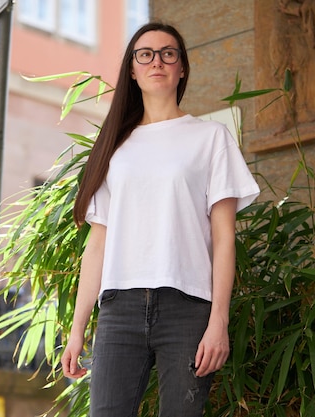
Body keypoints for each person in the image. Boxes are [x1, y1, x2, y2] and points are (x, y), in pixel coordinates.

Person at [60, 22, 260, 417]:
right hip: (119, 310)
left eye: (168, 53)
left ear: (182, 68)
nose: (157, 61)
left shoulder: (211, 138)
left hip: (187, 309)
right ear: (132, 70)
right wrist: (77, 328)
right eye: (145, 54)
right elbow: (96, 245)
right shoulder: (115, 146)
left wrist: (218, 319)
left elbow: (224, 239)